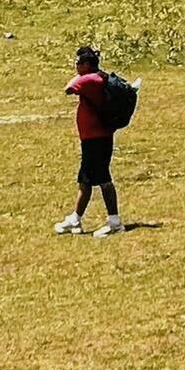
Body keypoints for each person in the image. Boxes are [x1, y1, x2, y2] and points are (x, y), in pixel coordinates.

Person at [55, 43, 123, 236]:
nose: (76, 66)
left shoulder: (89, 80)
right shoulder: (98, 77)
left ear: (86, 64)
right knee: (85, 180)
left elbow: (68, 88)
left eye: (78, 62)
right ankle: (75, 219)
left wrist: (81, 73)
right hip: (95, 137)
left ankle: (114, 221)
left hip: (97, 138)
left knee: (102, 180)